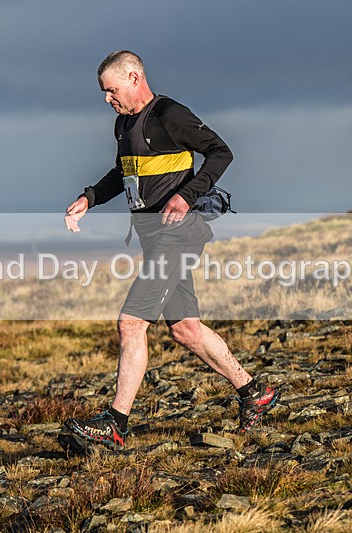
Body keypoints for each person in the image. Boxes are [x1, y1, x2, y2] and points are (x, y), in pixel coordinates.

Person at [62, 50, 279, 449]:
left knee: (131, 323)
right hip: (155, 237)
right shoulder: (123, 124)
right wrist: (89, 198)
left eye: (111, 91)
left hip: (178, 235)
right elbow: (123, 173)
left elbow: (221, 152)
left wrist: (186, 195)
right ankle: (254, 392)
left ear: (133, 77)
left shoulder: (169, 115)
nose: (107, 99)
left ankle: (116, 424)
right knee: (185, 328)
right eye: (104, 93)